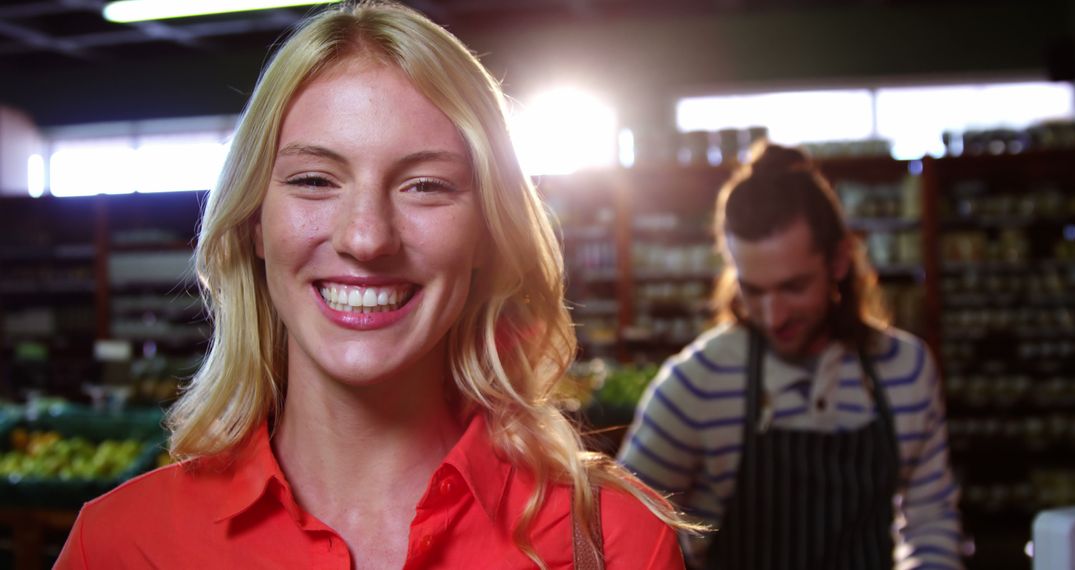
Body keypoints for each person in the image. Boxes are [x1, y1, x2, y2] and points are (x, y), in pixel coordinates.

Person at [56, 2, 692, 568]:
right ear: (254, 223)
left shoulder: (614, 543)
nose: (366, 238)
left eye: (425, 186)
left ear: (487, 235)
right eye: (314, 180)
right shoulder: (118, 545)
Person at [619, 142, 963, 569]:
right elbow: (622, 529)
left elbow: (930, 524)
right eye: (754, 290)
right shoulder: (697, 383)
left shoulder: (906, 372)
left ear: (839, 260)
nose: (772, 315)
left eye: (793, 287)